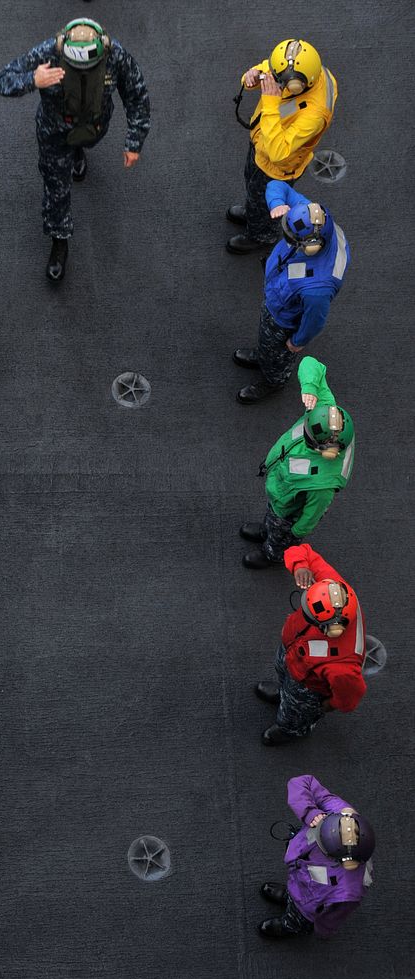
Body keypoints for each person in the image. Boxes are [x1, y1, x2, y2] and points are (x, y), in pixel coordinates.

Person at [0, 17, 150, 281]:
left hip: (93, 128)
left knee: (83, 144)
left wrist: (134, 141)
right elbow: (3, 80)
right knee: (56, 189)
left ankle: (79, 151)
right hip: (54, 133)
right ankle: (59, 241)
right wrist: (34, 79)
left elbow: (136, 95)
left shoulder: (116, 55)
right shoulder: (48, 52)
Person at [233, 182, 349, 402]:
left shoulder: (319, 286)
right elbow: (278, 185)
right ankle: (264, 354)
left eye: (291, 239)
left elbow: (315, 320)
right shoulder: (311, 217)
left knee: (279, 355)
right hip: (277, 296)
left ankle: (273, 380)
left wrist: (296, 342)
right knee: (267, 342)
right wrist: (277, 203)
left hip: (284, 320)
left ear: (312, 246)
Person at [241, 356, 354, 569]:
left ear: (325, 448)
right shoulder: (325, 412)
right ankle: (268, 530)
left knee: (280, 536)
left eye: (309, 439)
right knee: (273, 517)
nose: (304, 433)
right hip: (281, 493)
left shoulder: (324, 483)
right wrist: (310, 388)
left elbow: (313, 514)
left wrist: (294, 533)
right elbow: (311, 363)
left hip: (289, 512)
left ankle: (272, 553)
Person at [227, 38, 337, 253]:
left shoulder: (315, 115)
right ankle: (253, 213)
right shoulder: (300, 68)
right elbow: (266, 69)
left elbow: (278, 153)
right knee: (252, 186)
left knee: (265, 199)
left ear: (297, 85)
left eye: (280, 82)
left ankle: (261, 236)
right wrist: (251, 76)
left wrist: (269, 101)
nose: (275, 83)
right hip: (261, 145)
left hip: (277, 169)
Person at [255, 544, 366, 745]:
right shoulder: (334, 589)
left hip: (308, 686)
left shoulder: (343, 664)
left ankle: (291, 729)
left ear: (331, 628)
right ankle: (284, 693)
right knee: (286, 683)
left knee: (295, 713)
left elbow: (349, 697)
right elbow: (302, 551)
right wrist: (300, 566)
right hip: (292, 655)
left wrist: (324, 706)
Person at [259, 775, 374, 938]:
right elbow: (302, 782)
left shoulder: (349, 889)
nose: (318, 827)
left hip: (309, 904)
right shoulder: (340, 815)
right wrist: (309, 811)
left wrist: (322, 929)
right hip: (300, 875)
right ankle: (290, 895)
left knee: (300, 917)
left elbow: (334, 915)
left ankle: (291, 923)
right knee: (295, 888)